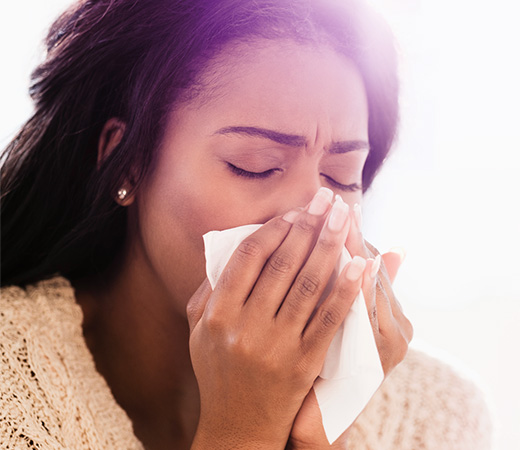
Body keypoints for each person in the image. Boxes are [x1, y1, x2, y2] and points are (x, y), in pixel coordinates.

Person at [0, 0, 492, 448]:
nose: (312, 214)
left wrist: (322, 436)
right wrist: (244, 431)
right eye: (253, 165)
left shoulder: (437, 415)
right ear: (125, 162)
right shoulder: (13, 387)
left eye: (341, 177)